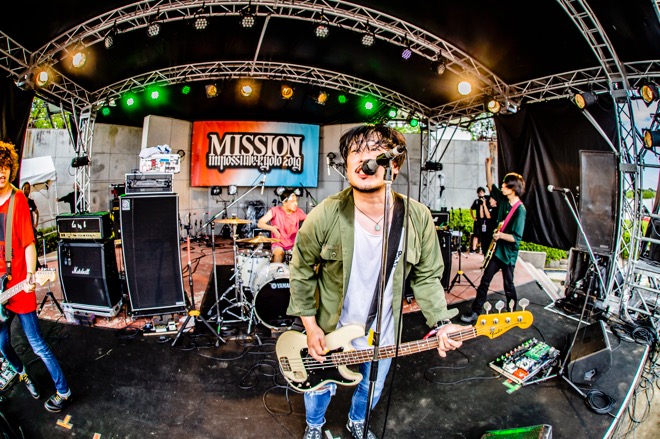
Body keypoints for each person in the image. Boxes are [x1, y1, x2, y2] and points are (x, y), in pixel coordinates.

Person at [287, 124, 463, 439]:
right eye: (355, 152)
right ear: (346, 165)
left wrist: (441, 322)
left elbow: (427, 277)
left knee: (372, 386)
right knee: (318, 387)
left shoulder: (417, 217)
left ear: (394, 164)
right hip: (329, 329)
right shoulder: (325, 214)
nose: (362, 159)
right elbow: (301, 270)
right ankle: (314, 425)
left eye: (374, 151)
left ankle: (357, 421)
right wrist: (311, 328)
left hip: (383, 334)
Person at [0, 141, 72, 412]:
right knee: (2, 346)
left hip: (18, 285)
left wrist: (30, 275)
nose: (1, 172)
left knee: (37, 344)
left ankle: (64, 391)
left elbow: (29, 244)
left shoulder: (17, 200)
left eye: (5, 167)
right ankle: (22, 373)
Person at [461, 157, 526, 323]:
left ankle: (512, 312)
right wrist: (487, 166)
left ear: (513, 189)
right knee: (484, 281)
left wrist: (500, 235)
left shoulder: (520, 210)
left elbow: (516, 238)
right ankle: (476, 311)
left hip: (509, 255)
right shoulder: (503, 200)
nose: (502, 186)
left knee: (508, 285)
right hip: (497, 253)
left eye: (505, 185)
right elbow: (490, 185)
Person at [257, 189, 307, 263]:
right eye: (292, 201)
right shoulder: (275, 211)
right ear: (284, 202)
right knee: (278, 255)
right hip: (278, 244)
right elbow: (260, 223)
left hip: (294, 246)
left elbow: (310, 220)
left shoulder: (298, 212)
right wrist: (272, 228)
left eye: (296, 201)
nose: (296, 203)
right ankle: (277, 270)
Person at [469, 187, 488, 253]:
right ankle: (473, 249)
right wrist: (473, 217)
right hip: (477, 220)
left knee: (484, 235)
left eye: (482, 192)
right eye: (480, 192)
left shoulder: (486, 200)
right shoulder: (476, 201)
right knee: (476, 234)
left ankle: (483, 248)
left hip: (484, 221)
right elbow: (471, 209)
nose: (481, 193)